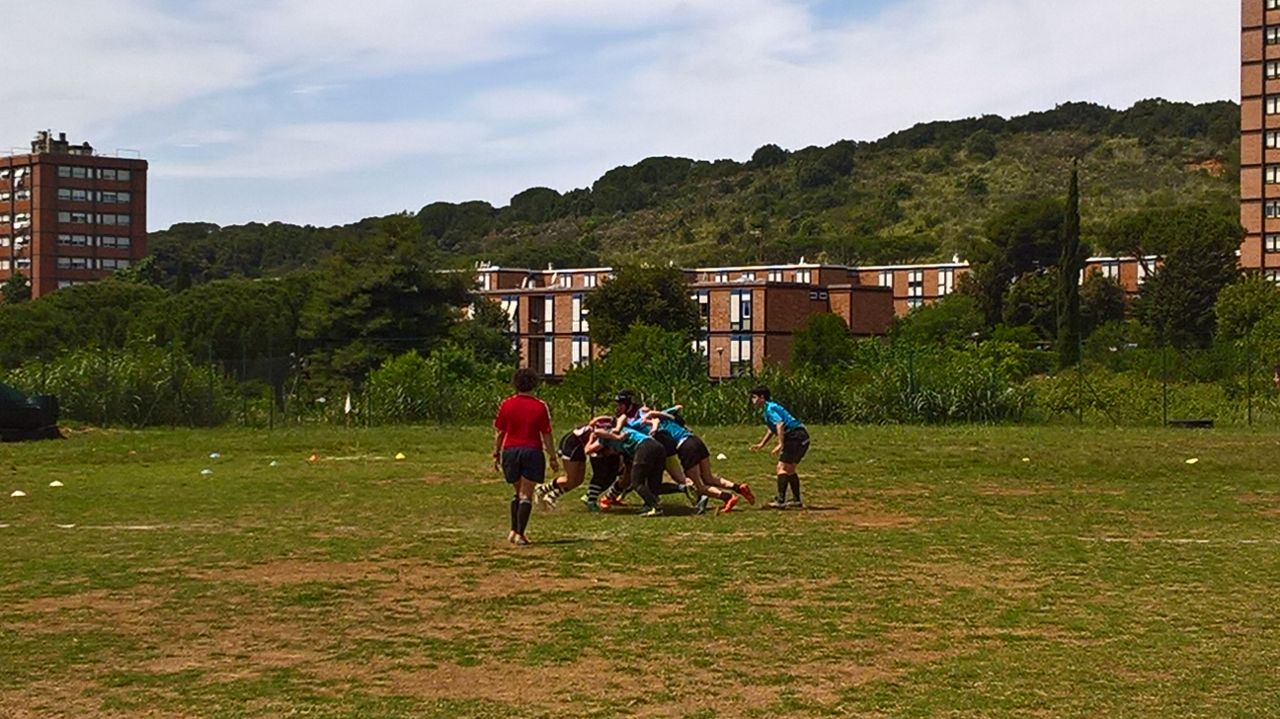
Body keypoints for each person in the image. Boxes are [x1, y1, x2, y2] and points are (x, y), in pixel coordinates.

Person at [645, 406, 754, 514]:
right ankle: (739, 488)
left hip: (686, 446)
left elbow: (677, 408)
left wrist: (654, 416)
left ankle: (728, 497)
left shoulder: (652, 424)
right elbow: (678, 407)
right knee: (708, 477)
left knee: (699, 486)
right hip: (696, 440)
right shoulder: (664, 417)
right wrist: (660, 413)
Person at [492, 368, 559, 545]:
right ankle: (520, 534)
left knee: (518, 492)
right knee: (525, 495)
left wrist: (496, 452)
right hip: (532, 451)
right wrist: (552, 456)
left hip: (510, 450)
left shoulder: (506, 404)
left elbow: (500, 431)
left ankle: (513, 530)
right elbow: (546, 433)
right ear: (534, 384)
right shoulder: (540, 406)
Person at [586, 424, 672, 517]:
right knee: (653, 483)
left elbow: (591, 443)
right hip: (658, 447)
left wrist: (616, 438)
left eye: (607, 453)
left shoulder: (605, 438)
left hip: (645, 447)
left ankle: (655, 507)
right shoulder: (622, 440)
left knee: (637, 483)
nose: (612, 453)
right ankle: (650, 505)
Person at [534, 417, 619, 511]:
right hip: (572, 444)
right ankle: (542, 489)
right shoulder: (609, 427)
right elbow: (589, 449)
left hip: (581, 445)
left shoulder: (614, 426)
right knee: (570, 479)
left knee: (578, 480)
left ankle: (551, 496)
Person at [748, 386, 809, 509]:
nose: (752, 400)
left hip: (794, 436)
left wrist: (780, 444)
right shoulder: (769, 407)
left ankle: (780, 500)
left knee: (781, 467)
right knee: (790, 469)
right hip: (802, 436)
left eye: (754, 397)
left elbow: (780, 424)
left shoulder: (770, 408)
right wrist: (762, 444)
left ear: (762, 397)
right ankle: (796, 500)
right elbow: (772, 429)